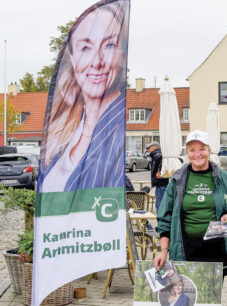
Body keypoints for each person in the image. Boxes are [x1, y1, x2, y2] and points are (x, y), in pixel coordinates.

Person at [38, 2, 129, 192]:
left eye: (109, 45)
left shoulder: (118, 131)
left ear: (122, 55)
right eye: (86, 48)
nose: (97, 62)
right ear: (71, 57)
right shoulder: (64, 129)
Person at [154, 130, 227, 283]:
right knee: (188, 299)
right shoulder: (177, 180)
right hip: (185, 251)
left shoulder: (225, 179)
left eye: (202, 149)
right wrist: (164, 251)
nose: (197, 154)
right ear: (187, 153)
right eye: (192, 150)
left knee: (211, 303)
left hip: (216, 251)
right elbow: (165, 219)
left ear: (209, 151)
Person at [146, 142, 169, 210]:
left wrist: (159, 171)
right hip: (161, 183)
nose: (147, 150)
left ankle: (161, 220)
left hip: (161, 183)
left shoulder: (157, 154)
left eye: (148, 148)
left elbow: (163, 161)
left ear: (155, 147)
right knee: (160, 205)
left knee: (160, 206)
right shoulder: (156, 154)